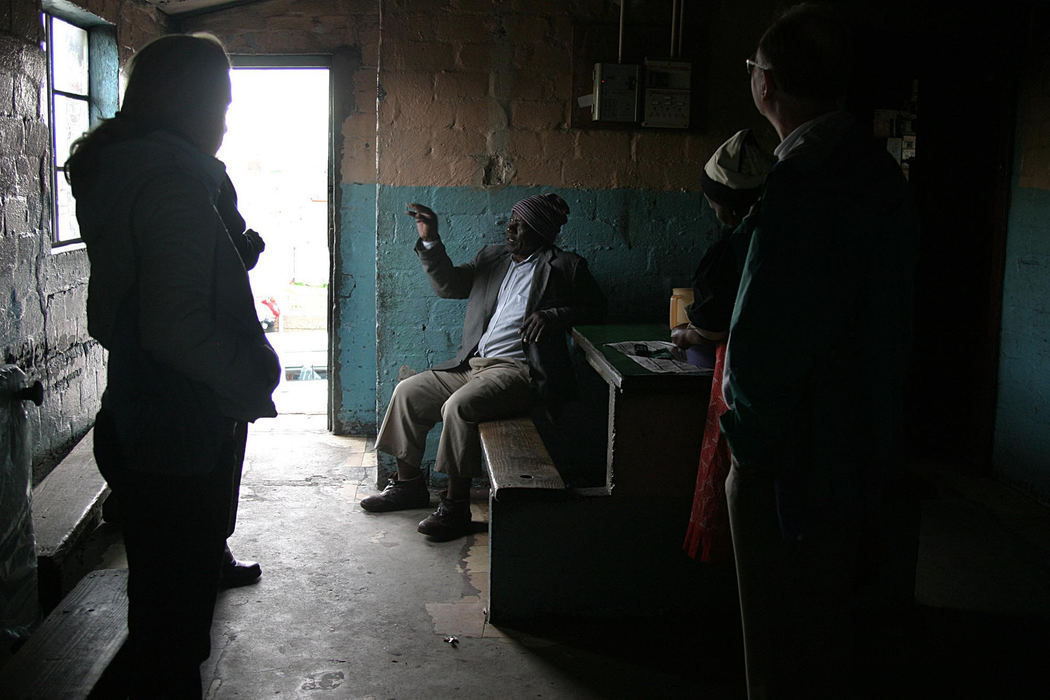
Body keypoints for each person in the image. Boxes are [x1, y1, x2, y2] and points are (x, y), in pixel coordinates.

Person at [66, 34, 280, 697]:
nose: (224, 120)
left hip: (142, 410)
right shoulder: (172, 180)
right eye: (220, 103)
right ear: (186, 101)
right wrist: (251, 377)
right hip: (179, 422)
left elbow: (125, 311)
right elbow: (176, 327)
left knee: (163, 604)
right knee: (171, 633)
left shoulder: (125, 166)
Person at [721, 4, 920, 698]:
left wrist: (746, 448)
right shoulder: (878, 172)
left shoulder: (801, 183)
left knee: (775, 649)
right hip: (863, 443)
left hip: (792, 458)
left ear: (766, 84)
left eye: (753, 69)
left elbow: (763, 339)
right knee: (831, 632)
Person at [362, 195, 606, 540]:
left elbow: (597, 310)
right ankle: (408, 486)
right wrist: (430, 238)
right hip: (470, 364)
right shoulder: (493, 258)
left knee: (458, 408)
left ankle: (455, 507)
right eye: (511, 220)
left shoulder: (565, 266)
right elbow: (450, 286)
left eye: (519, 223)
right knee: (408, 392)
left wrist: (554, 315)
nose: (510, 228)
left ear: (540, 231)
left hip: (517, 371)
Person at [678, 129, 774, 563]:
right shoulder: (779, 228)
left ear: (727, 204)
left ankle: (729, 560)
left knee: (735, 468)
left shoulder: (736, 247)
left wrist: (687, 334)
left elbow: (714, 325)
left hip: (745, 372)